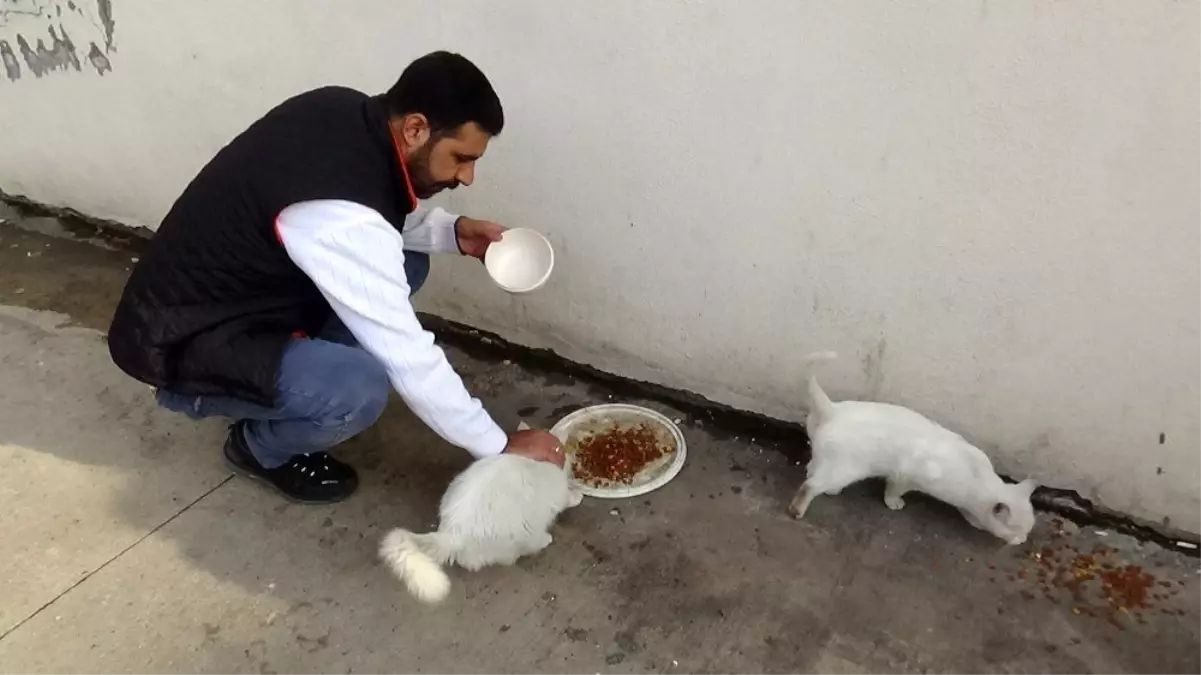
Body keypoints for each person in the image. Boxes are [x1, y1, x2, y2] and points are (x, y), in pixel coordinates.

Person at [107, 51, 564, 504]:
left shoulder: (342, 110)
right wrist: (498, 445)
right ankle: (257, 447)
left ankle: (295, 383)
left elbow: (363, 211)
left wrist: (451, 233)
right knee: (357, 390)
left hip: (237, 299)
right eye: (461, 158)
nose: (468, 177)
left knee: (409, 261)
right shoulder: (342, 217)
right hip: (179, 341)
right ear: (416, 128)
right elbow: (406, 352)